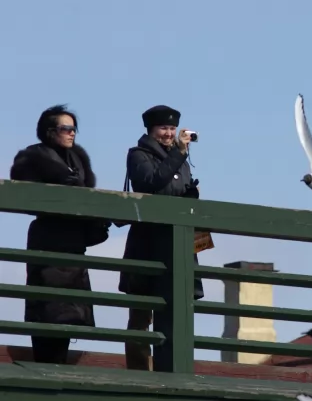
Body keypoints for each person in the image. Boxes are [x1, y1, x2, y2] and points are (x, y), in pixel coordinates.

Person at [9, 104, 110, 364]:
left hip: (74, 243)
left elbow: (88, 196)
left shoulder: (77, 159)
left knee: (70, 313)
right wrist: (55, 186)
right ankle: (47, 366)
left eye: (74, 128)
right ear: (50, 131)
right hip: (49, 238)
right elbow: (22, 187)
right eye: (66, 128)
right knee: (47, 309)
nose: (72, 133)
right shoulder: (33, 156)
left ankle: (57, 363)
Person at [118, 105, 204, 371]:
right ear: (151, 130)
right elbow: (151, 182)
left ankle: (170, 372)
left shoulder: (180, 158)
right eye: (163, 129)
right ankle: (140, 374)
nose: (169, 134)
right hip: (148, 243)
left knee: (177, 310)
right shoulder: (138, 155)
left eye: (172, 129)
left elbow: (178, 190)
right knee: (141, 315)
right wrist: (179, 153)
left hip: (177, 242)